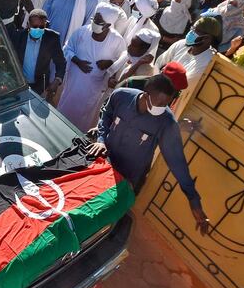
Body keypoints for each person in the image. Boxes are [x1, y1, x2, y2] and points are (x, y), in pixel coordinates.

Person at [90, 75, 211, 233]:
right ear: (146, 95)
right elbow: (106, 115)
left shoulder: (166, 122)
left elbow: (177, 163)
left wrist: (194, 201)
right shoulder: (121, 95)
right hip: (103, 165)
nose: (161, 108)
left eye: (165, 104)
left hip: (127, 180)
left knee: (106, 220)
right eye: (159, 104)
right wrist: (100, 139)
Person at [58, 3, 127, 131]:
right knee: (66, 109)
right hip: (74, 83)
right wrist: (77, 61)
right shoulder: (82, 32)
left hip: (94, 87)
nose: (94, 22)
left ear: (108, 25)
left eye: (99, 21)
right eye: (95, 18)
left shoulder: (117, 40)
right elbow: (67, 48)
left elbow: (122, 58)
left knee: (85, 115)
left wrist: (110, 62)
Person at [8, 8, 65, 100]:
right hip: (19, 84)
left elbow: (60, 62)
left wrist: (57, 80)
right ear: (28, 25)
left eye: (41, 27)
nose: (38, 29)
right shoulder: (18, 37)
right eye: (35, 26)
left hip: (39, 87)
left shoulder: (52, 38)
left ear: (45, 25)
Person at [155, 17, 221, 91]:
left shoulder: (208, 61)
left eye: (196, 31)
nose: (191, 32)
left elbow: (185, 85)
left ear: (207, 38)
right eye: (192, 28)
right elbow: (159, 62)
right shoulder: (182, 43)